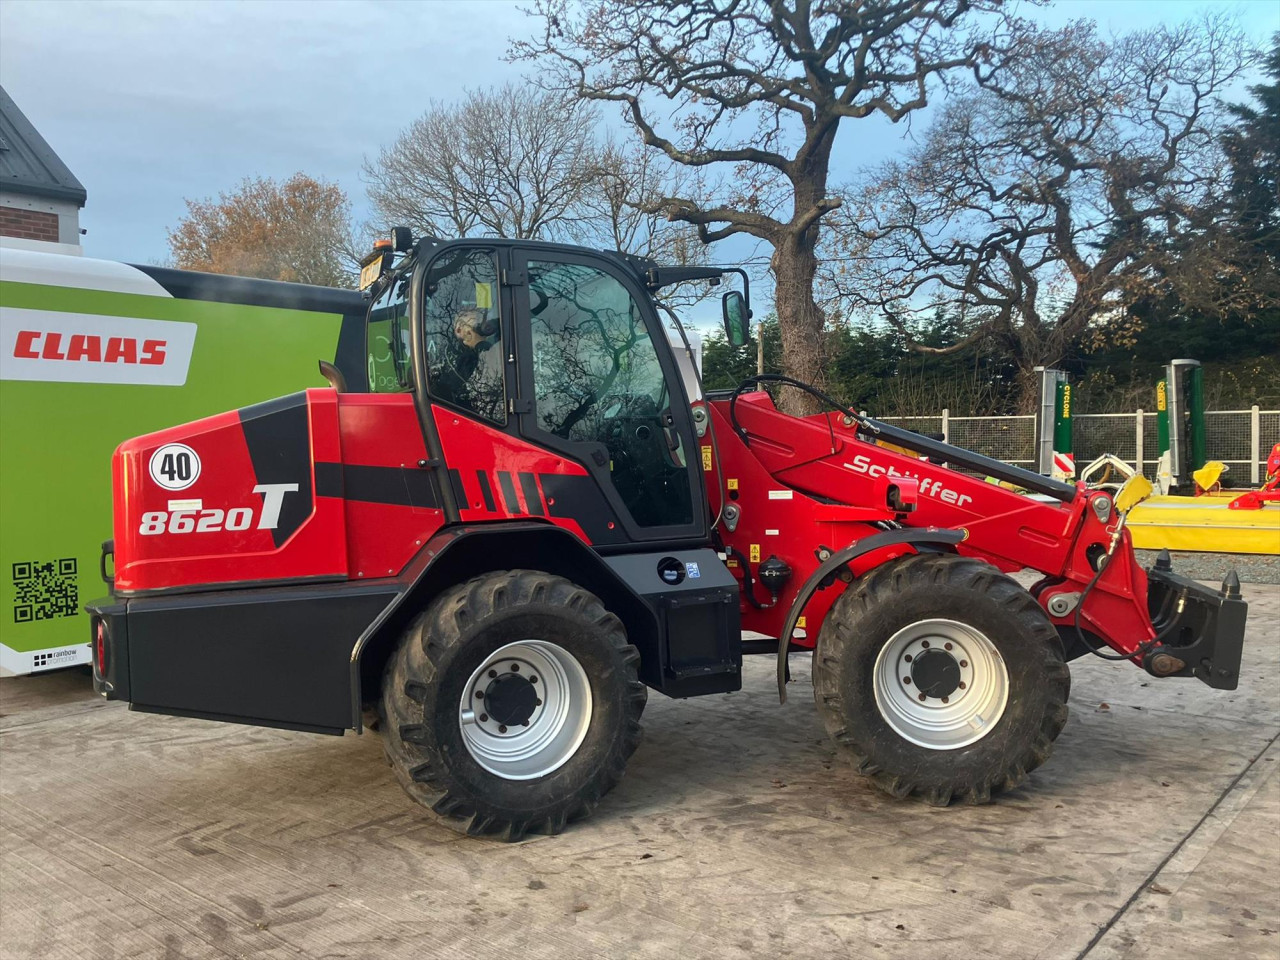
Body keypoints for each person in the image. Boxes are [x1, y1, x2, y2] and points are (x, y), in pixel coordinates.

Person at [451, 308, 503, 420]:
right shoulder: (461, 360)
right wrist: (480, 343)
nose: (481, 322)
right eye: (474, 321)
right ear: (459, 330)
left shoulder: (495, 346)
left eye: (480, 319)